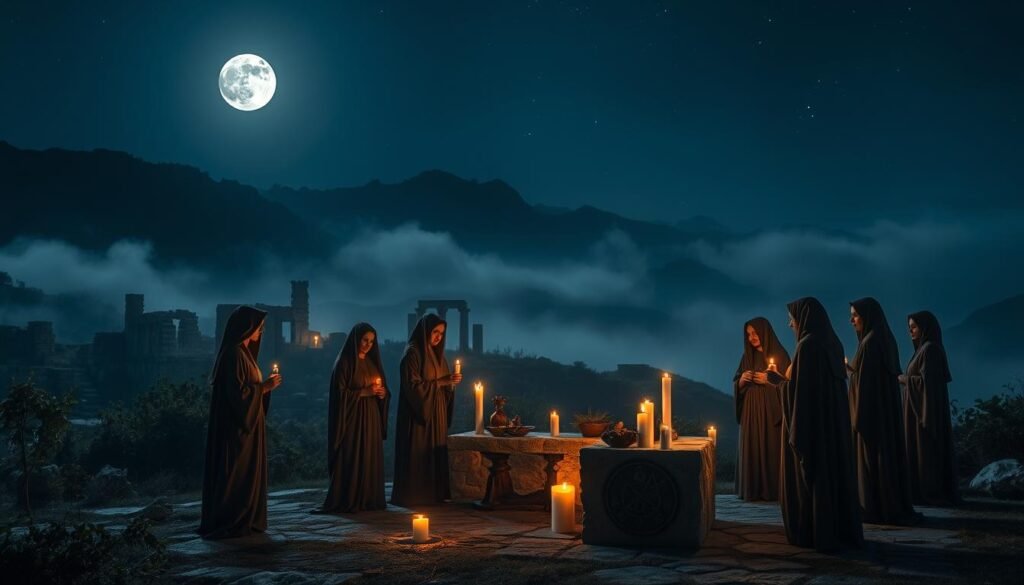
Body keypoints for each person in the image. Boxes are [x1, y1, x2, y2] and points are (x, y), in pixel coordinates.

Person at [779, 297, 862, 551]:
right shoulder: (831, 343)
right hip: (831, 426)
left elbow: (802, 394)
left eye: (792, 319)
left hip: (814, 427)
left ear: (802, 319)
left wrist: (779, 384)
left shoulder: (807, 347)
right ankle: (838, 528)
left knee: (815, 477)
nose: (790, 325)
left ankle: (815, 531)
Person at [199, 306, 283, 539]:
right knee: (235, 471)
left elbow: (247, 390)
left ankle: (246, 517)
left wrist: (264, 388)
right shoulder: (234, 354)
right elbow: (237, 395)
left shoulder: (243, 354)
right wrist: (264, 387)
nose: (261, 332)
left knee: (245, 472)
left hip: (248, 426)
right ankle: (233, 518)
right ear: (247, 327)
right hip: (237, 429)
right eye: (259, 327)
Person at [847, 298, 917, 524]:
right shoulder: (885, 338)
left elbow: (866, 383)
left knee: (873, 460)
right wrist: (853, 371)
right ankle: (888, 504)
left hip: (872, 415)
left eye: (855, 315)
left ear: (867, 316)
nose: (851, 320)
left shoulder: (869, 343)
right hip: (885, 413)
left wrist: (850, 374)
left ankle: (874, 507)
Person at [391, 314, 462, 507]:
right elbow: (413, 387)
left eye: (442, 333)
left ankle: (434, 493)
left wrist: (450, 384)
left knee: (433, 453)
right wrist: (442, 382)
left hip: (435, 412)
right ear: (425, 331)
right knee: (418, 452)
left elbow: (443, 385)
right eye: (435, 332)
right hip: (418, 415)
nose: (438, 337)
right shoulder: (413, 354)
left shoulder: (438, 356)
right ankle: (415, 495)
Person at [320, 323, 391, 513]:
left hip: (371, 419)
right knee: (352, 455)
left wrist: (383, 394)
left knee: (369, 456)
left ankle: (369, 498)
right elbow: (339, 395)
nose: (368, 345)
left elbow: (383, 390)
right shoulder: (344, 363)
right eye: (365, 340)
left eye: (371, 341)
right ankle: (350, 498)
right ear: (355, 339)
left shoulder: (372, 362)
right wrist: (364, 392)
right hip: (352, 419)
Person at [900, 311, 959, 505]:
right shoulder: (923, 350)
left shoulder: (930, 350)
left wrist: (904, 379)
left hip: (924, 412)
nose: (910, 331)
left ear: (925, 328)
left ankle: (930, 491)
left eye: (914, 327)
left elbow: (928, 384)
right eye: (909, 327)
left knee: (925, 451)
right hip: (917, 410)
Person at [733, 317, 791, 501]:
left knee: (770, 447)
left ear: (764, 332)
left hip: (770, 412)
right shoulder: (747, 357)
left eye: (755, 333)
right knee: (752, 448)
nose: (752, 337)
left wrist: (769, 380)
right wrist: (741, 381)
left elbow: (789, 385)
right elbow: (737, 382)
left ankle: (772, 490)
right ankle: (752, 489)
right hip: (751, 412)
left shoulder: (780, 355)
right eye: (748, 334)